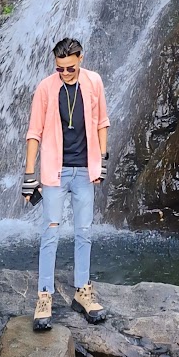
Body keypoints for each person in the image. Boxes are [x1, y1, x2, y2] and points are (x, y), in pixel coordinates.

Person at [21, 37, 110, 332]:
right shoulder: (46, 88)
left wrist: (102, 159)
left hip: (85, 170)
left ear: (81, 59)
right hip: (54, 172)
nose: (65, 73)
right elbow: (34, 132)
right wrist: (28, 175)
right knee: (50, 233)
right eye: (60, 69)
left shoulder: (94, 82)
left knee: (84, 231)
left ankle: (83, 291)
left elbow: (102, 123)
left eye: (70, 68)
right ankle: (44, 296)